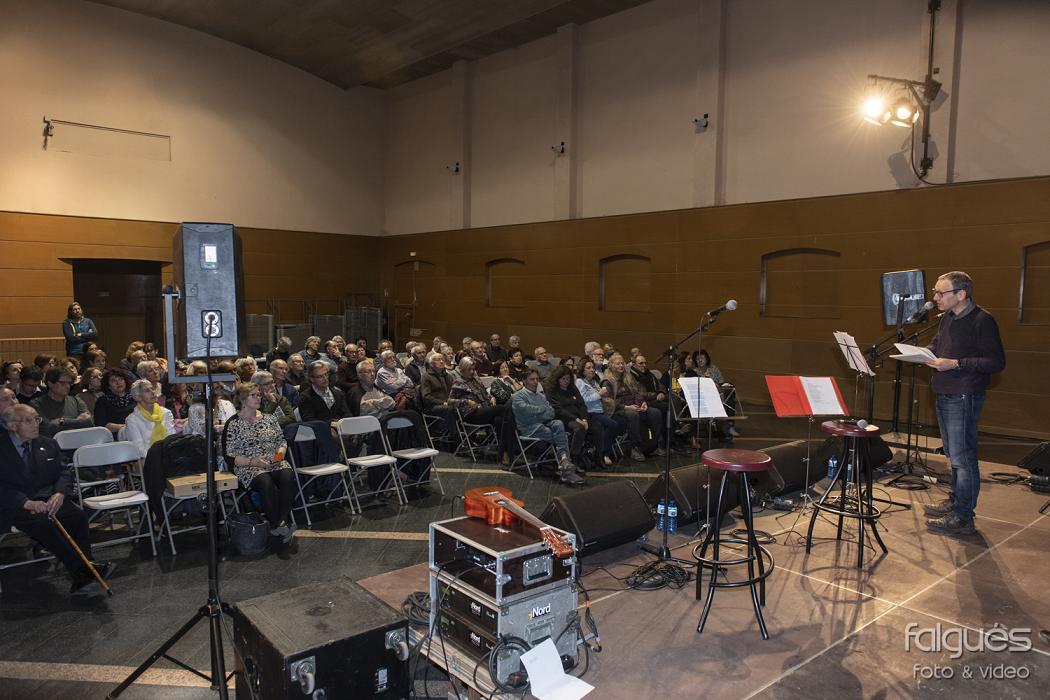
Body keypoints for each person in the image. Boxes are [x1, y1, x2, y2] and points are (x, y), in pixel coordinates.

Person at [922, 271, 1006, 536]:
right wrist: (922, 354)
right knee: (952, 455)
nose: (936, 298)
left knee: (963, 458)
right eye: (935, 292)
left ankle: (963, 516)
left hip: (963, 395)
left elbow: (996, 362)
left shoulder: (983, 320)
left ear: (961, 294)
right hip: (944, 392)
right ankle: (956, 500)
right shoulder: (947, 317)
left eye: (941, 293)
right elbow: (937, 345)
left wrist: (956, 363)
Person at [1, 404, 116, 595]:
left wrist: (60, 493)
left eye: (36, 419)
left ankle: (85, 569)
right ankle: (85, 570)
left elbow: (64, 472)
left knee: (76, 515)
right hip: (14, 505)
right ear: (12, 426)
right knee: (43, 522)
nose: (35, 424)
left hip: (48, 498)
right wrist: (25, 502)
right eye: (28, 421)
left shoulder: (47, 443)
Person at [224, 383, 296, 543]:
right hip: (248, 465)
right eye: (254, 395)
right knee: (265, 481)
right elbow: (229, 455)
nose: (259, 398)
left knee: (287, 475)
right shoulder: (233, 423)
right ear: (243, 399)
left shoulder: (269, 418)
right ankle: (277, 524)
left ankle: (281, 523)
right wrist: (253, 461)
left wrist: (279, 455)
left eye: (259, 395)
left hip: (274, 461)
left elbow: (281, 441)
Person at [512, 370, 583, 485]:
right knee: (562, 435)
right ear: (524, 381)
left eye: (537, 379)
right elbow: (527, 412)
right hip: (529, 428)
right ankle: (565, 464)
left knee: (558, 423)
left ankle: (564, 462)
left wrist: (538, 412)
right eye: (532, 379)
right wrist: (542, 410)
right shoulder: (518, 397)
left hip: (544, 423)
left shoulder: (541, 396)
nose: (536, 382)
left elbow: (551, 413)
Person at [544, 366, 606, 470]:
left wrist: (584, 419)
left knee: (598, 426)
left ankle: (599, 455)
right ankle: (574, 457)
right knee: (579, 428)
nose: (566, 381)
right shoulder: (551, 391)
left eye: (568, 378)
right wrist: (577, 419)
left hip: (579, 417)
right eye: (563, 379)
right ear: (557, 379)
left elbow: (582, 404)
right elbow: (558, 410)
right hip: (563, 419)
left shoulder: (572, 388)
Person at [604, 353, 661, 461]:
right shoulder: (607, 381)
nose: (621, 366)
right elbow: (608, 402)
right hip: (618, 409)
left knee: (655, 413)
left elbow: (637, 392)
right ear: (611, 366)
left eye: (622, 363)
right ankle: (635, 448)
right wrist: (626, 407)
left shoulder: (628, 377)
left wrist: (642, 403)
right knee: (633, 415)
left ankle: (653, 445)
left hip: (634, 405)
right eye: (618, 364)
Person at [575, 359, 620, 466]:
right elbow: (583, 400)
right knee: (613, 425)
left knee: (619, 422)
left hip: (600, 411)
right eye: (588, 368)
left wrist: (603, 394)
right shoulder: (580, 382)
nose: (592, 370)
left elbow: (598, 396)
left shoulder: (594, 382)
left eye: (593, 368)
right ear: (582, 370)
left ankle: (601, 452)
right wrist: (599, 394)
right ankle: (603, 453)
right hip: (590, 413)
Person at [31, 367, 93, 437]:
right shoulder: (36, 404)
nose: (67, 386)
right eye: (63, 383)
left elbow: (89, 422)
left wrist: (62, 421)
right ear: (50, 383)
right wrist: (78, 421)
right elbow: (46, 428)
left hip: (78, 440)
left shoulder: (76, 400)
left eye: (69, 383)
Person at [123, 379, 176, 458]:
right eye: (147, 390)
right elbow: (139, 449)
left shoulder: (166, 413)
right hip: (148, 459)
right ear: (139, 397)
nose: (153, 392)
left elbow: (171, 438)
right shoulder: (132, 420)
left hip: (169, 456)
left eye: (152, 389)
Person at [298, 360, 351, 427]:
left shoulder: (338, 393)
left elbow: (347, 414)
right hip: (321, 429)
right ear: (312, 379)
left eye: (326, 374)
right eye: (320, 376)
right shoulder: (305, 397)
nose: (325, 378)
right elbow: (309, 420)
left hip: (342, 427)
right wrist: (330, 423)